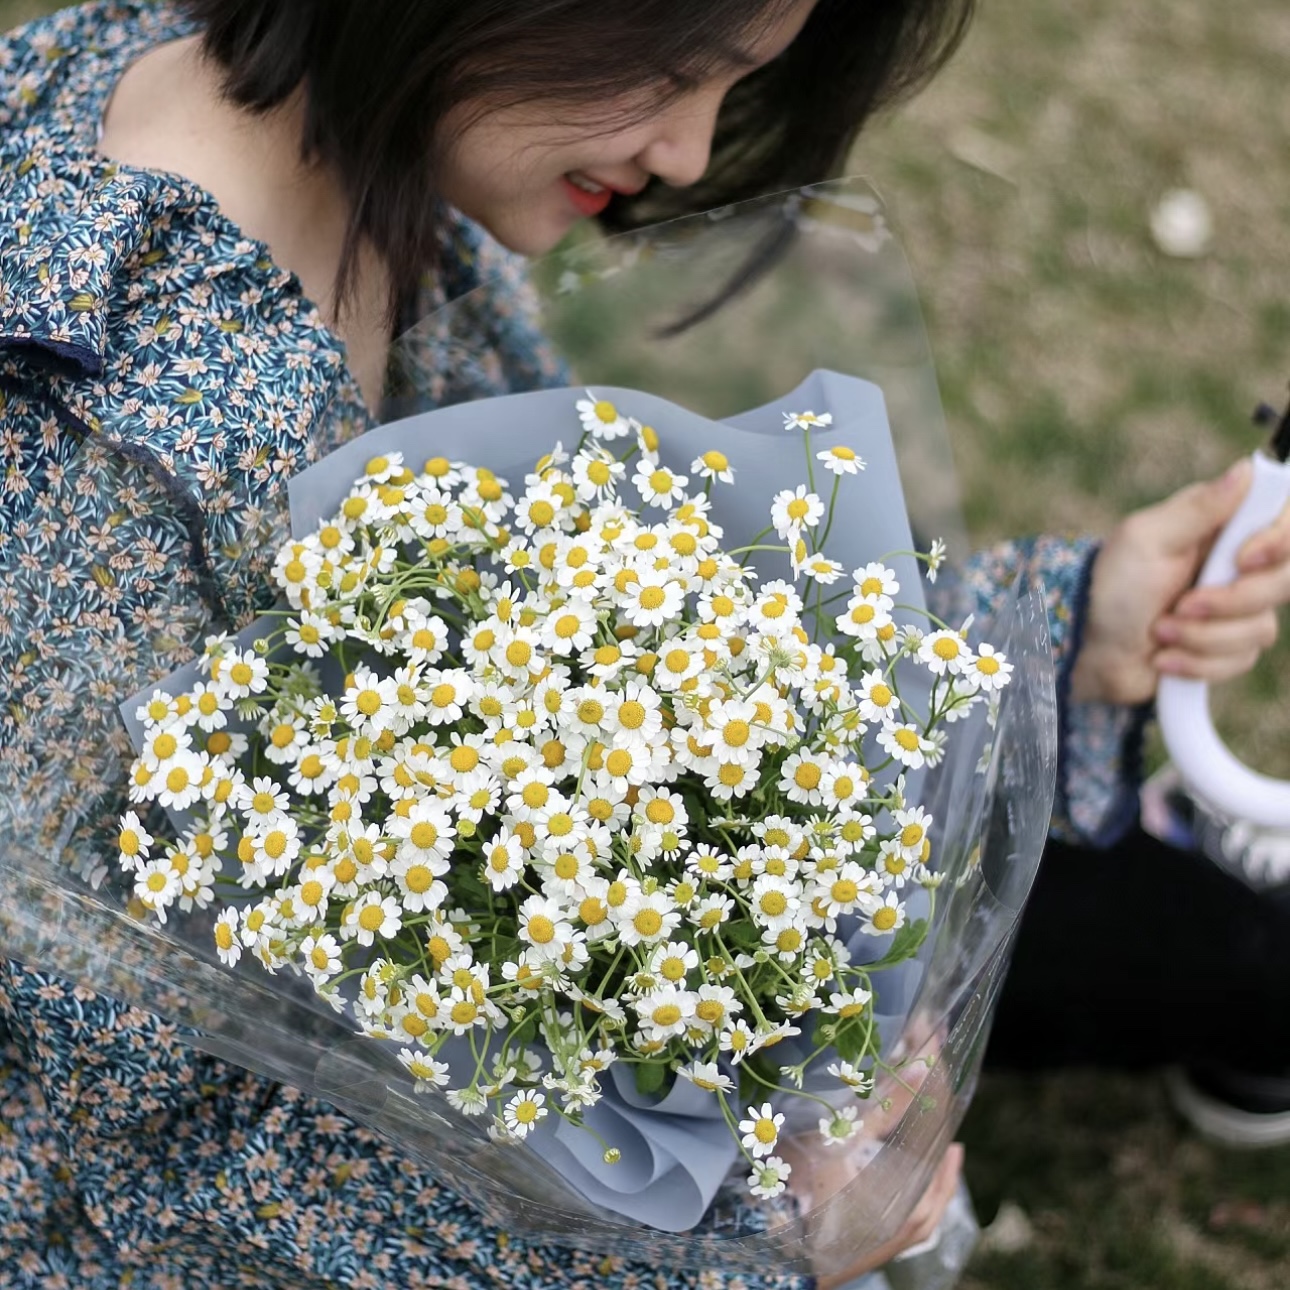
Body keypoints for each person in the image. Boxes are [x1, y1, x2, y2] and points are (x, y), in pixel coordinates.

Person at [0, 2, 1287, 1287]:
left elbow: (626, 623)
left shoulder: (366, 142)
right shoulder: (92, 449)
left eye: (735, 86)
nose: (687, 152)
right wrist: (747, 1237)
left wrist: (1070, 625)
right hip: (416, 1066)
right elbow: (134, 1158)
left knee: (1193, 943)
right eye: (675, 71)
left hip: (580, 906)